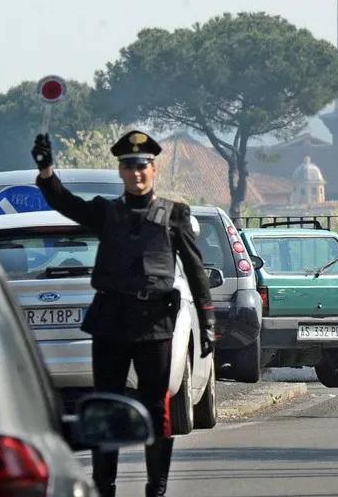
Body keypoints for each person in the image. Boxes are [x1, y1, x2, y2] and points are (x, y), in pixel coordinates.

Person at [30, 130, 215, 497]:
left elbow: (195, 270)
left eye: (142, 166)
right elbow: (65, 202)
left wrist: (208, 323)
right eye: (129, 166)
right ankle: (104, 486)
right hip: (111, 321)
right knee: (106, 409)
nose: (136, 173)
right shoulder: (106, 211)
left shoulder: (175, 215)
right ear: (120, 171)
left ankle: (156, 488)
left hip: (155, 324)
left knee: (157, 411)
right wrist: (47, 170)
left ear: (153, 169)